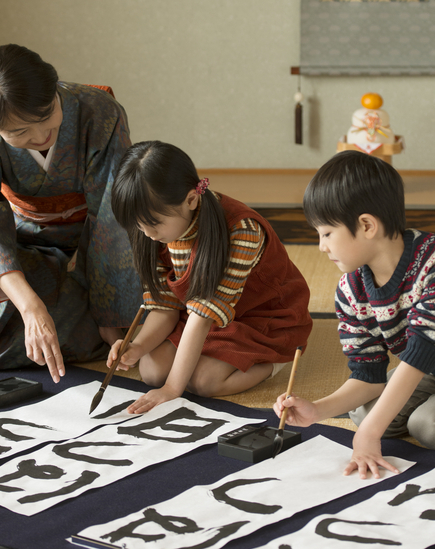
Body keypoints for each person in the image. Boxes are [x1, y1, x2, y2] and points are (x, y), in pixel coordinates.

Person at [274, 150, 435, 479]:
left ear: (367, 225)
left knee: (432, 428)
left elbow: (418, 354)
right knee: (363, 412)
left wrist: (369, 435)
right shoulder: (350, 289)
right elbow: (368, 376)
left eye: (326, 233)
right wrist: (317, 410)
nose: (321, 246)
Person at [0, 44, 140, 383]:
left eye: (46, 117)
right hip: (29, 244)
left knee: (119, 329)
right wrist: (31, 308)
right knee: (15, 345)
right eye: (19, 132)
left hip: (96, 240)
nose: (40, 136)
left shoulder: (99, 111)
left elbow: (111, 214)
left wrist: (112, 316)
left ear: (54, 89)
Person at [108, 140, 313, 414]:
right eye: (138, 225)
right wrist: (136, 346)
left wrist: (172, 390)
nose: (146, 233)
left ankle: (276, 361)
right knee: (151, 372)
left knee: (205, 382)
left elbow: (203, 316)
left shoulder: (242, 230)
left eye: (153, 224)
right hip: (198, 315)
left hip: (260, 316)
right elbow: (166, 306)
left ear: (192, 199)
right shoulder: (153, 229)